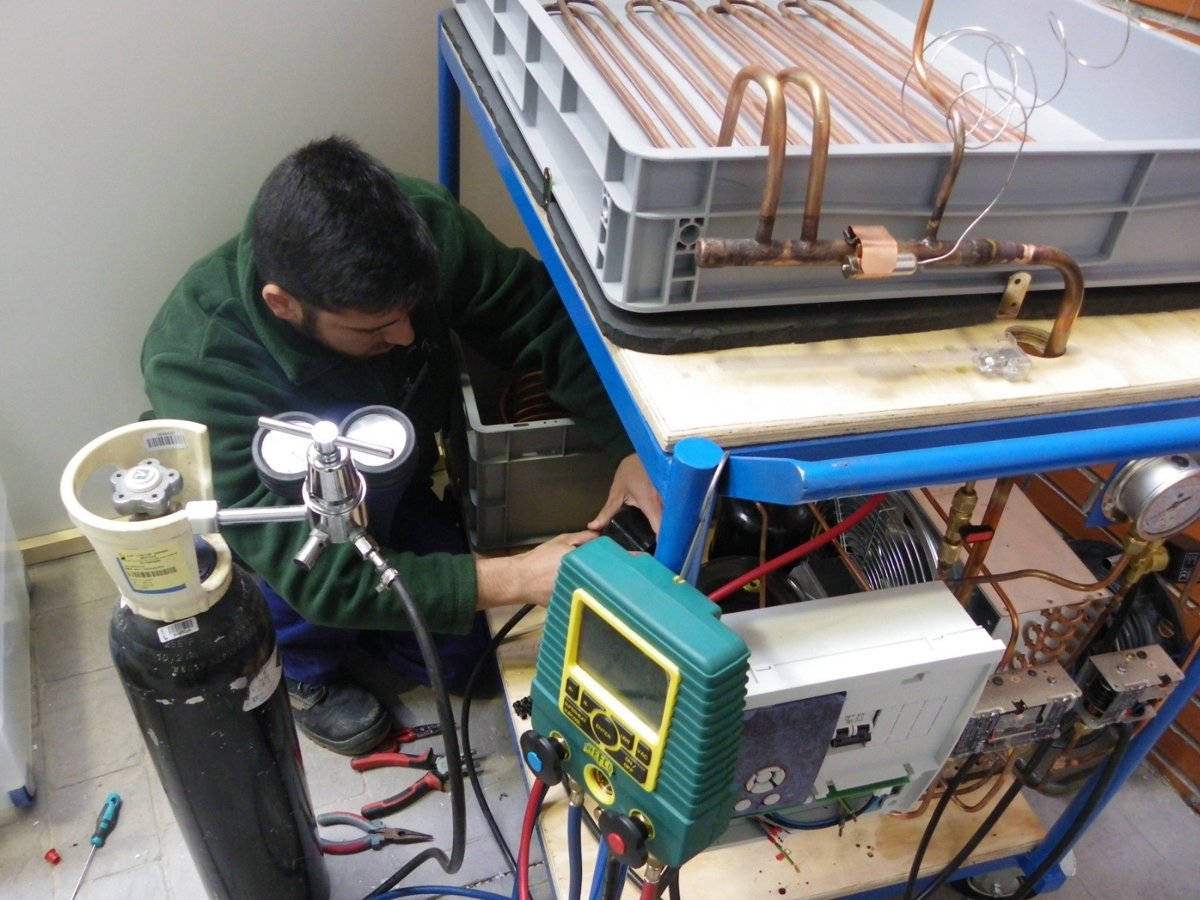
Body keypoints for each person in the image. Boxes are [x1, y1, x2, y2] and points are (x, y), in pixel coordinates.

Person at [142, 135, 662, 754]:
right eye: (375, 326)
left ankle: (373, 615)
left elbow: (544, 320)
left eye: (412, 309)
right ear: (283, 305)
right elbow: (322, 574)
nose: (409, 335)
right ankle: (304, 671)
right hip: (294, 539)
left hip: (394, 483)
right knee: (308, 593)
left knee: (477, 661)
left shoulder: (421, 229)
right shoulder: (199, 366)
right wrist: (519, 575)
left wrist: (627, 445)